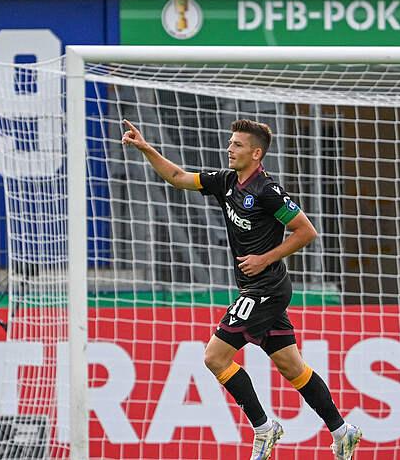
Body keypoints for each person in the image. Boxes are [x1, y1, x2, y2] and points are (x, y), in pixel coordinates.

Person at [122, 119, 361, 460]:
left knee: (214, 357)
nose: (229, 149)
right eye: (230, 143)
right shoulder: (226, 181)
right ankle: (341, 430)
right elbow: (177, 177)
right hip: (256, 287)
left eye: (237, 144)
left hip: (267, 287)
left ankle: (264, 428)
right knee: (291, 366)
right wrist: (146, 148)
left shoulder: (268, 191)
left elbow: (306, 231)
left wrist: (265, 258)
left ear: (256, 153)